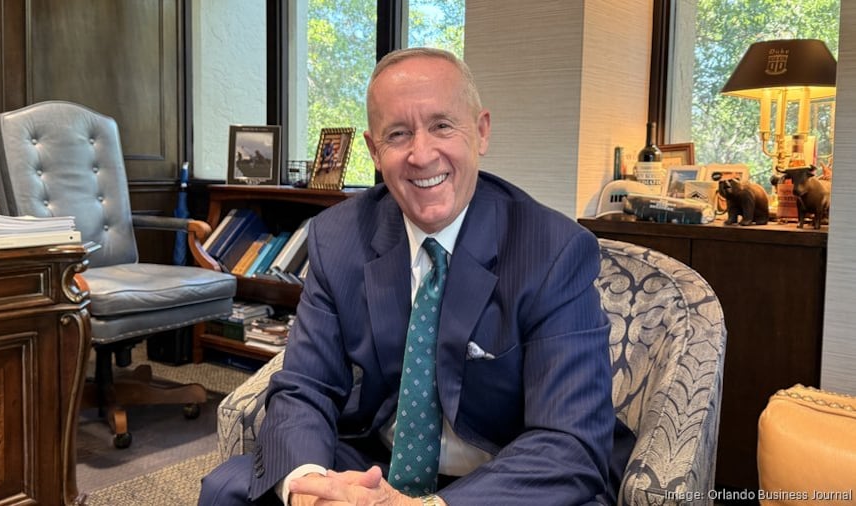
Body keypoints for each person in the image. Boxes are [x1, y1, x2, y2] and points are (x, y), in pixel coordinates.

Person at [199, 47, 634, 506]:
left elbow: (568, 441)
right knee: (228, 488)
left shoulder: (552, 249)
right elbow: (306, 387)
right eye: (398, 134)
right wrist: (313, 488)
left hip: (504, 477)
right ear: (374, 150)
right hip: (377, 464)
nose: (421, 155)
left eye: (442, 126)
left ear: (481, 132)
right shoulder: (337, 238)